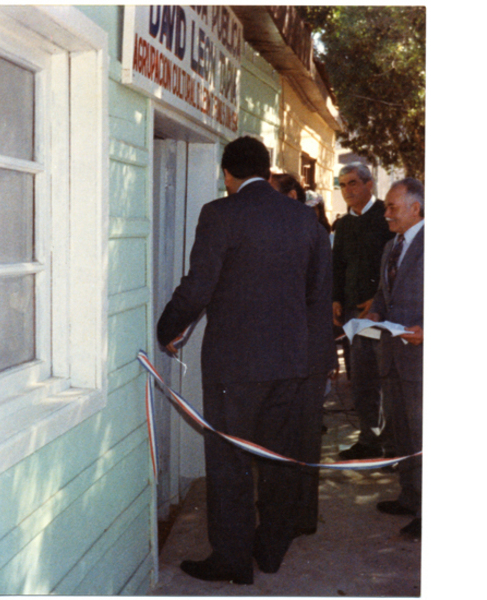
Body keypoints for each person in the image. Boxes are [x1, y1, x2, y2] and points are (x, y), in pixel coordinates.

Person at [157, 136, 335, 584]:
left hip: (234, 368)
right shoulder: (304, 218)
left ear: (227, 174)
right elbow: (317, 295)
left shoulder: (219, 213)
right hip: (291, 364)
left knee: (230, 461)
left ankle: (233, 561)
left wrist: (167, 327)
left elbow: (200, 285)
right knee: (277, 458)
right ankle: (271, 550)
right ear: (269, 169)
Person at [368, 178, 424, 540]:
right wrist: (373, 313)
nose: (386, 213)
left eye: (392, 207)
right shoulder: (392, 245)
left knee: (423, 435)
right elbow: (383, 293)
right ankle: (410, 496)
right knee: (402, 434)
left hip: (422, 359)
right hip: (391, 357)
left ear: (415, 208)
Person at [332, 162, 395, 460]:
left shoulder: (387, 217)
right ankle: (369, 438)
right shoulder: (343, 225)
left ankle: (391, 446)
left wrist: (378, 299)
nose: (347, 190)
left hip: (381, 316)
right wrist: (335, 299)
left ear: (369, 184)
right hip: (352, 317)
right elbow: (338, 266)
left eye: (353, 183)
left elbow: (398, 266)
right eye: (343, 185)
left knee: (385, 380)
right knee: (359, 379)